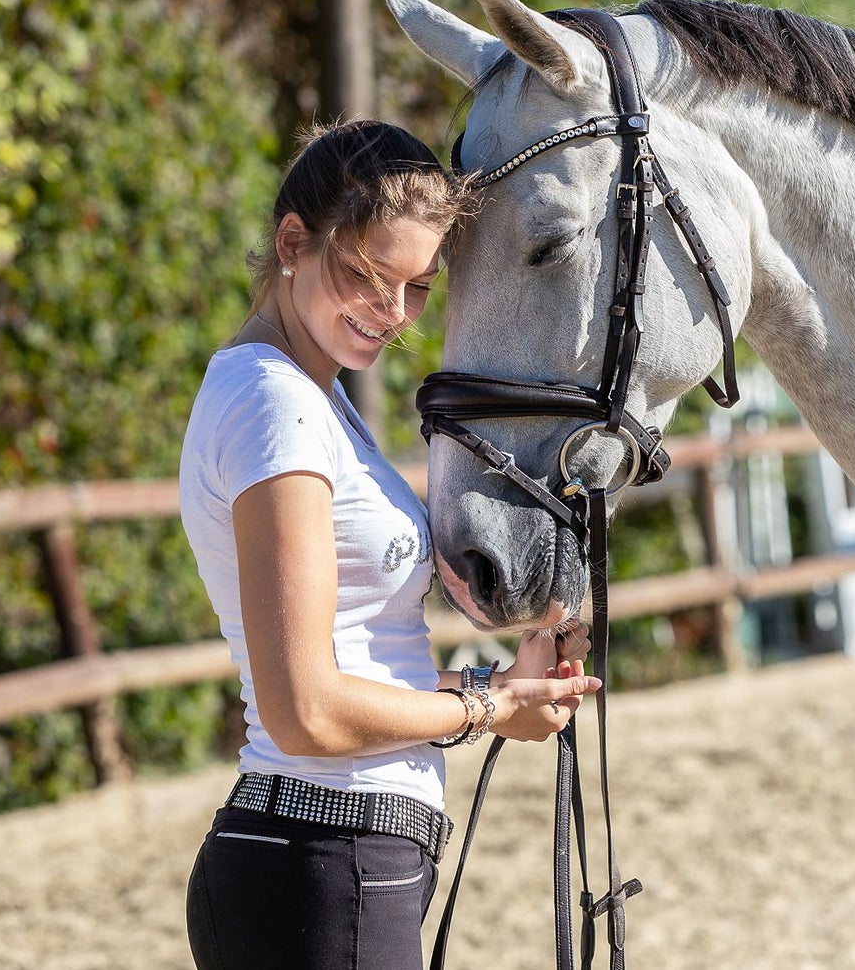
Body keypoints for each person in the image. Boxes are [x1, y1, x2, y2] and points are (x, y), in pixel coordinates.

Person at [179, 119, 598, 970]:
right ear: (292, 242)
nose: (394, 314)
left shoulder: (305, 395)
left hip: (329, 863)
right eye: (371, 276)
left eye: (418, 287)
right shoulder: (277, 408)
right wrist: (485, 712)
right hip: (323, 862)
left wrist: (496, 685)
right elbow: (307, 711)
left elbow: (357, 674)